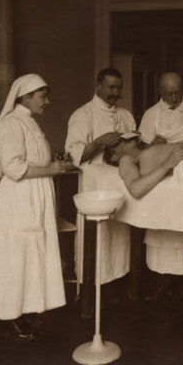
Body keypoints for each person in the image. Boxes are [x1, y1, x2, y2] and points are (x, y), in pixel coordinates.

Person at [0, 74, 73, 341]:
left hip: (36, 194)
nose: (47, 101)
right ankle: (3, 314)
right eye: (43, 96)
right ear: (25, 97)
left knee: (31, 255)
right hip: (19, 198)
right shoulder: (10, 123)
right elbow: (14, 168)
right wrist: (50, 169)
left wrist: (53, 165)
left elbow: (33, 160)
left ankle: (23, 310)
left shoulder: (29, 122)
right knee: (15, 256)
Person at [138, 72, 183, 305]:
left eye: (177, 92)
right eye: (168, 93)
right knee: (164, 229)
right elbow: (142, 149)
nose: (173, 97)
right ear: (159, 91)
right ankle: (163, 285)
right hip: (164, 178)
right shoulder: (151, 114)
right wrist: (153, 145)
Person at [65, 68, 136, 300]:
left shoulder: (125, 115)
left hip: (119, 183)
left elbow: (134, 148)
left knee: (118, 235)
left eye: (118, 88)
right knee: (96, 237)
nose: (115, 92)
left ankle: (116, 281)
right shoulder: (83, 115)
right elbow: (74, 155)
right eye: (110, 87)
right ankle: (92, 289)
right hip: (94, 186)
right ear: (98, 86)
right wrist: (98, 143)